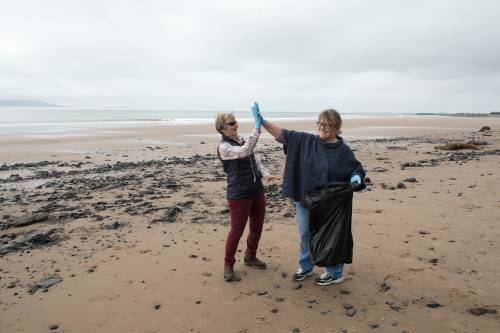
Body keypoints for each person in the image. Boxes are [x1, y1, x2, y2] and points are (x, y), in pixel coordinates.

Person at [253, 106, 365, 285]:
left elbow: (355, 168)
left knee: (332, 236)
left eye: (327, 125)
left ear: (336, 127)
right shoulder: (306, 141)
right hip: (305, 199)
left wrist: (356, 176)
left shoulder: (343, 151)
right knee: (305, 234)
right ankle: (306, 266)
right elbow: (283, 135)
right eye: (320, 124)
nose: (322, 128)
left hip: (330, 205)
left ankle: (335, 272)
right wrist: (262, 121)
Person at [215, 103, 278, 282]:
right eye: (231, 123)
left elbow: (255, 159)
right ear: (222, 128)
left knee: (257, 227)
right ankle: (228, 265)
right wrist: (257, 127)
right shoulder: (224, 147)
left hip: (256, 190)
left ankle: (250, 256)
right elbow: (245, 151)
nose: (235, 125)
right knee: (236, 231)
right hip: (238, 194)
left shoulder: (242, 139)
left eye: (235, 122)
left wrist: (265, 174)